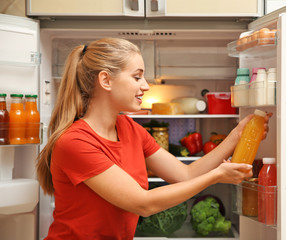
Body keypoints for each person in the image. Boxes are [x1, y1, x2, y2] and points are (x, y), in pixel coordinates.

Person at [36, 38, 272, 240]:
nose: (146, 86)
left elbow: (185, 174)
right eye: (137, 77)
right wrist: (217, 176)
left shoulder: (129, 127)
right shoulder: (75, 142)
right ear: (106, 80)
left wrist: (236, 135)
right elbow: (143, 203)